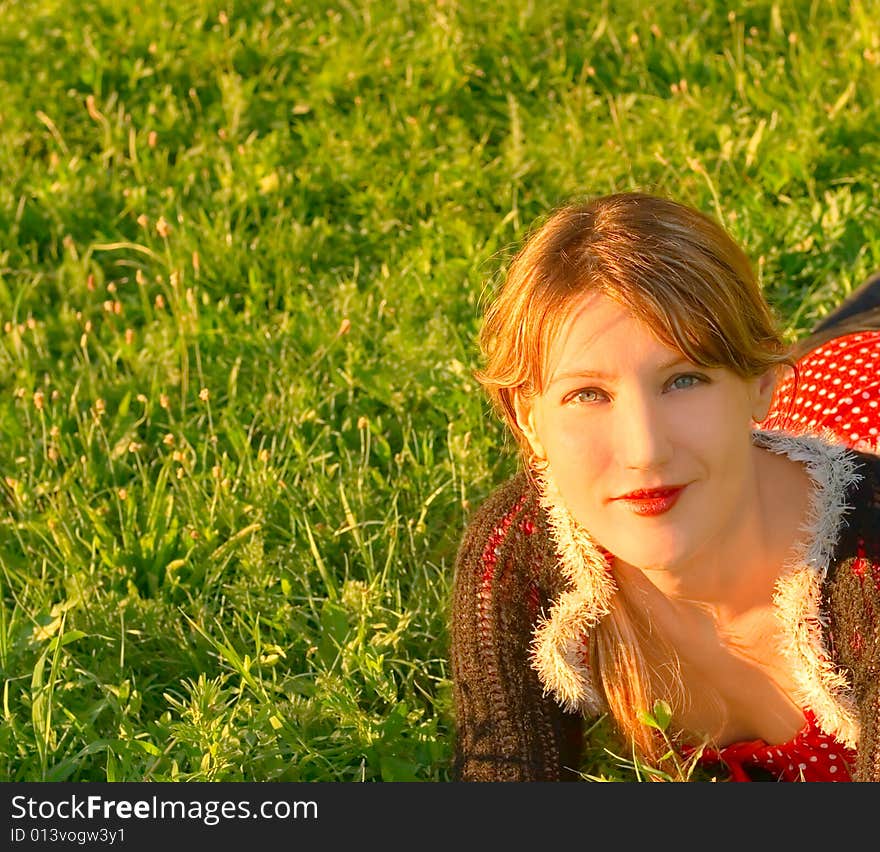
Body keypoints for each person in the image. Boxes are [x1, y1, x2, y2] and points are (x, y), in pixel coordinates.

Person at [449, 191, 880, 782]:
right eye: (587, 394)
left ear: (760, 383)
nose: (645, 450)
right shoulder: (526, 545)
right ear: (528, 417)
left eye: (683, 380)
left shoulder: (865, 568)